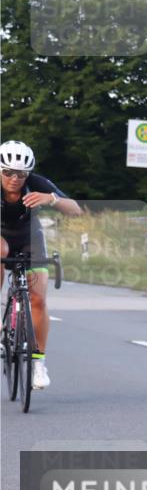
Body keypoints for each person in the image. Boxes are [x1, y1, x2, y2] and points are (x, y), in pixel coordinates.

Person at [0, 140, 83, 389]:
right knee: (1, 249)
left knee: (38, 299)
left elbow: (76, 210)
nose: (15, 178)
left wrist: (51, 199)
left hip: (29, 239)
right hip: (1, 237)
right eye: (8, 172)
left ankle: (38, 363)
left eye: (21, 174)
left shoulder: (36, 184)